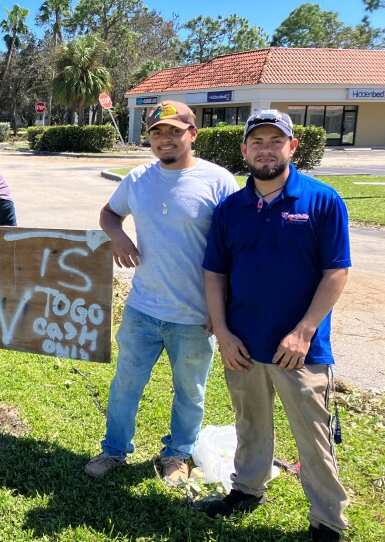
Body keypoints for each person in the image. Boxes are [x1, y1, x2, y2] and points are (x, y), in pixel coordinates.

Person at [199, 110, 350, 542]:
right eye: (258, 142)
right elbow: (215, 274)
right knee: (250, 424)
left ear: (292, 147)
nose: (266, 149)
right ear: (244, 150)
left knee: (312, 437)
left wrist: (303, 331)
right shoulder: (231, 208)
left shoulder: (322, 201)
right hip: (243, 344)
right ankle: (247, 489)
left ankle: (327, 521)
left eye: (275, 141)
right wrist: (223, 333)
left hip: (299, 349)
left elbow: (336, 272)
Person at [84, 101, 238, 484]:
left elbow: (237, 247)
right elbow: (108, 213)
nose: (164, 139)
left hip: (195, 316)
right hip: (142, 308)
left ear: (192, 134)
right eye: (156, 132)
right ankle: (114, 450)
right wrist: (118, 236)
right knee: (125, 385)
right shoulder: (137, 179)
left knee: (190, 393)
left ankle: (177, 455)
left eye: (173, 131)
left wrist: (220, 313)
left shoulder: (218, 181)